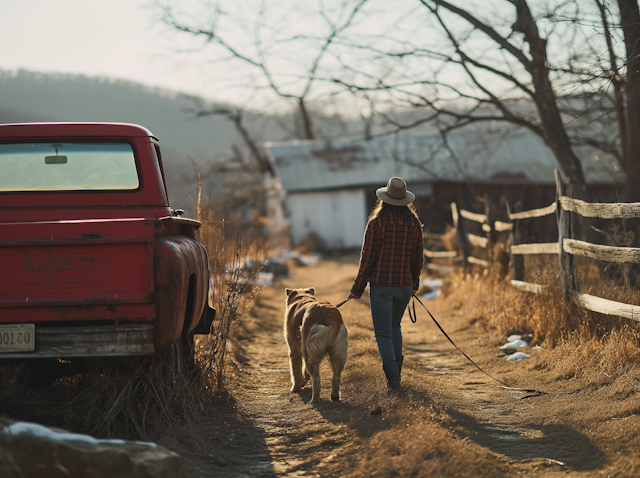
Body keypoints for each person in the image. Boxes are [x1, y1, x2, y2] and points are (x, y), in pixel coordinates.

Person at [349, 177, 424, 392]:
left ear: (385, 199)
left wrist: (357, 288)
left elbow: (367, 259)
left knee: (383, 333)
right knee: (394, 327)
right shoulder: (414, 224)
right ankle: (396, 378)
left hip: (381, 286)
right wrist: (414, 283)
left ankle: (393, 382)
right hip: (404, 286)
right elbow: (418, 258)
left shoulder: (376, 223)